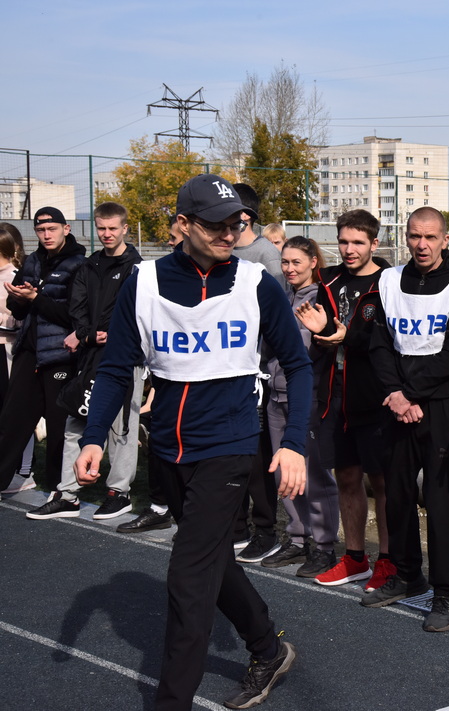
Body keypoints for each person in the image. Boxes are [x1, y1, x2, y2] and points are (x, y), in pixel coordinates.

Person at [74, 174, 312, 709]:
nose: (230, 233)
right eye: (216, 225)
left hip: (229, 446)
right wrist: (94, 438)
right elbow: (116, 368)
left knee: (187, 577)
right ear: (183, 224)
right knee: (211, 561)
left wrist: (293, 443)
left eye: (237, 224)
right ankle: (267, 647)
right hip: (167, 448)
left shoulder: (256, 282)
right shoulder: (144, 281)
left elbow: (298, 365)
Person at [363, 207, 449, 636]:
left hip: (442, 406)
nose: (422, 244)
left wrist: (409, 394)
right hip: (396, 402)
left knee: (442, 501)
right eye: (415, 236)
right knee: (396, 494)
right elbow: (379, 345)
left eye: (431, 237)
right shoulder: (388, 280)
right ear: (406, 237)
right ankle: (406, 573)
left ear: (445, 239)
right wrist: (396, 395)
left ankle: (445, 592)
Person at [26, 202, 144, 521]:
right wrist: (87, 334)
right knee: (75, 421)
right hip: (90, 356)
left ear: (124, 229)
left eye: (112, 228)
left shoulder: (138, 268)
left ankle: (118, 493)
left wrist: (96, 332)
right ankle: (67, 493)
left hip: (125, 358)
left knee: (121, 427)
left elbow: (123, 311)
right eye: (101, 228)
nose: (107, 234)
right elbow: (76, 308)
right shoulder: (89, 265)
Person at [296, 210, 394, 585]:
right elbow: (324, 332)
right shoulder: (329, 279)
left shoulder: (390, 282)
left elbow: (390, 340)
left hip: (376, 397)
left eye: (358, 242)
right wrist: (321, 333)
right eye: (343, 241)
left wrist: (345, 337)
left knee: (382, 482)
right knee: (347, 477)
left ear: (374, 243)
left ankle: (388, 561)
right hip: (335, 396)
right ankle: (355, 558)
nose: (349, 249)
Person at [258, 236, 342, 578]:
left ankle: (324, 547)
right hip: (275, 395)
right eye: (285, 262)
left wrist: (323, 333)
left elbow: (330, 347)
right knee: (284, 473)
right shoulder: (279, 296)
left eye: (296, 262)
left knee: (315, 475)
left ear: (313, 262)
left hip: (309, 398)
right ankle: (297, 538)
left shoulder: (322, 299)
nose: (290, 268)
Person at [0, 207, 85, 495]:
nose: (46, 235)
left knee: (59, 427)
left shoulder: (79, 264)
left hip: (60, 354)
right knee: (12, 420)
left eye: (52, 229)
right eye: (40, 230)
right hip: (29, 350)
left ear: (66, 229)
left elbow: (71, 316)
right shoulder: (33, 261)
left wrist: (35, 297)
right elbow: (16, 310)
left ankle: (58, 490)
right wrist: (19, 299)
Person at [118, 214, 185, 534]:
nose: (169, 243)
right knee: (159, 442)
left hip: (202, 392)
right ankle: (160, 507)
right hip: (166, 382)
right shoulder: (152, 278)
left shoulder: (238, 278)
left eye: (173, 237)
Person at [230, 183, 287, 562]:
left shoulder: (266, 256)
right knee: (229, 451)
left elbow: (276, 318)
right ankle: (235, 526)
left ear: (244, 216)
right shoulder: (218, 251)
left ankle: (266, 529)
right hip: (225, 370)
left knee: (257, 454)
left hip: (257, 373)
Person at [0, 222, 34, 496]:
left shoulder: (13, 276)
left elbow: (20, 319)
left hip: (10, 351)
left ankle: (23, 472)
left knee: (16, 412)